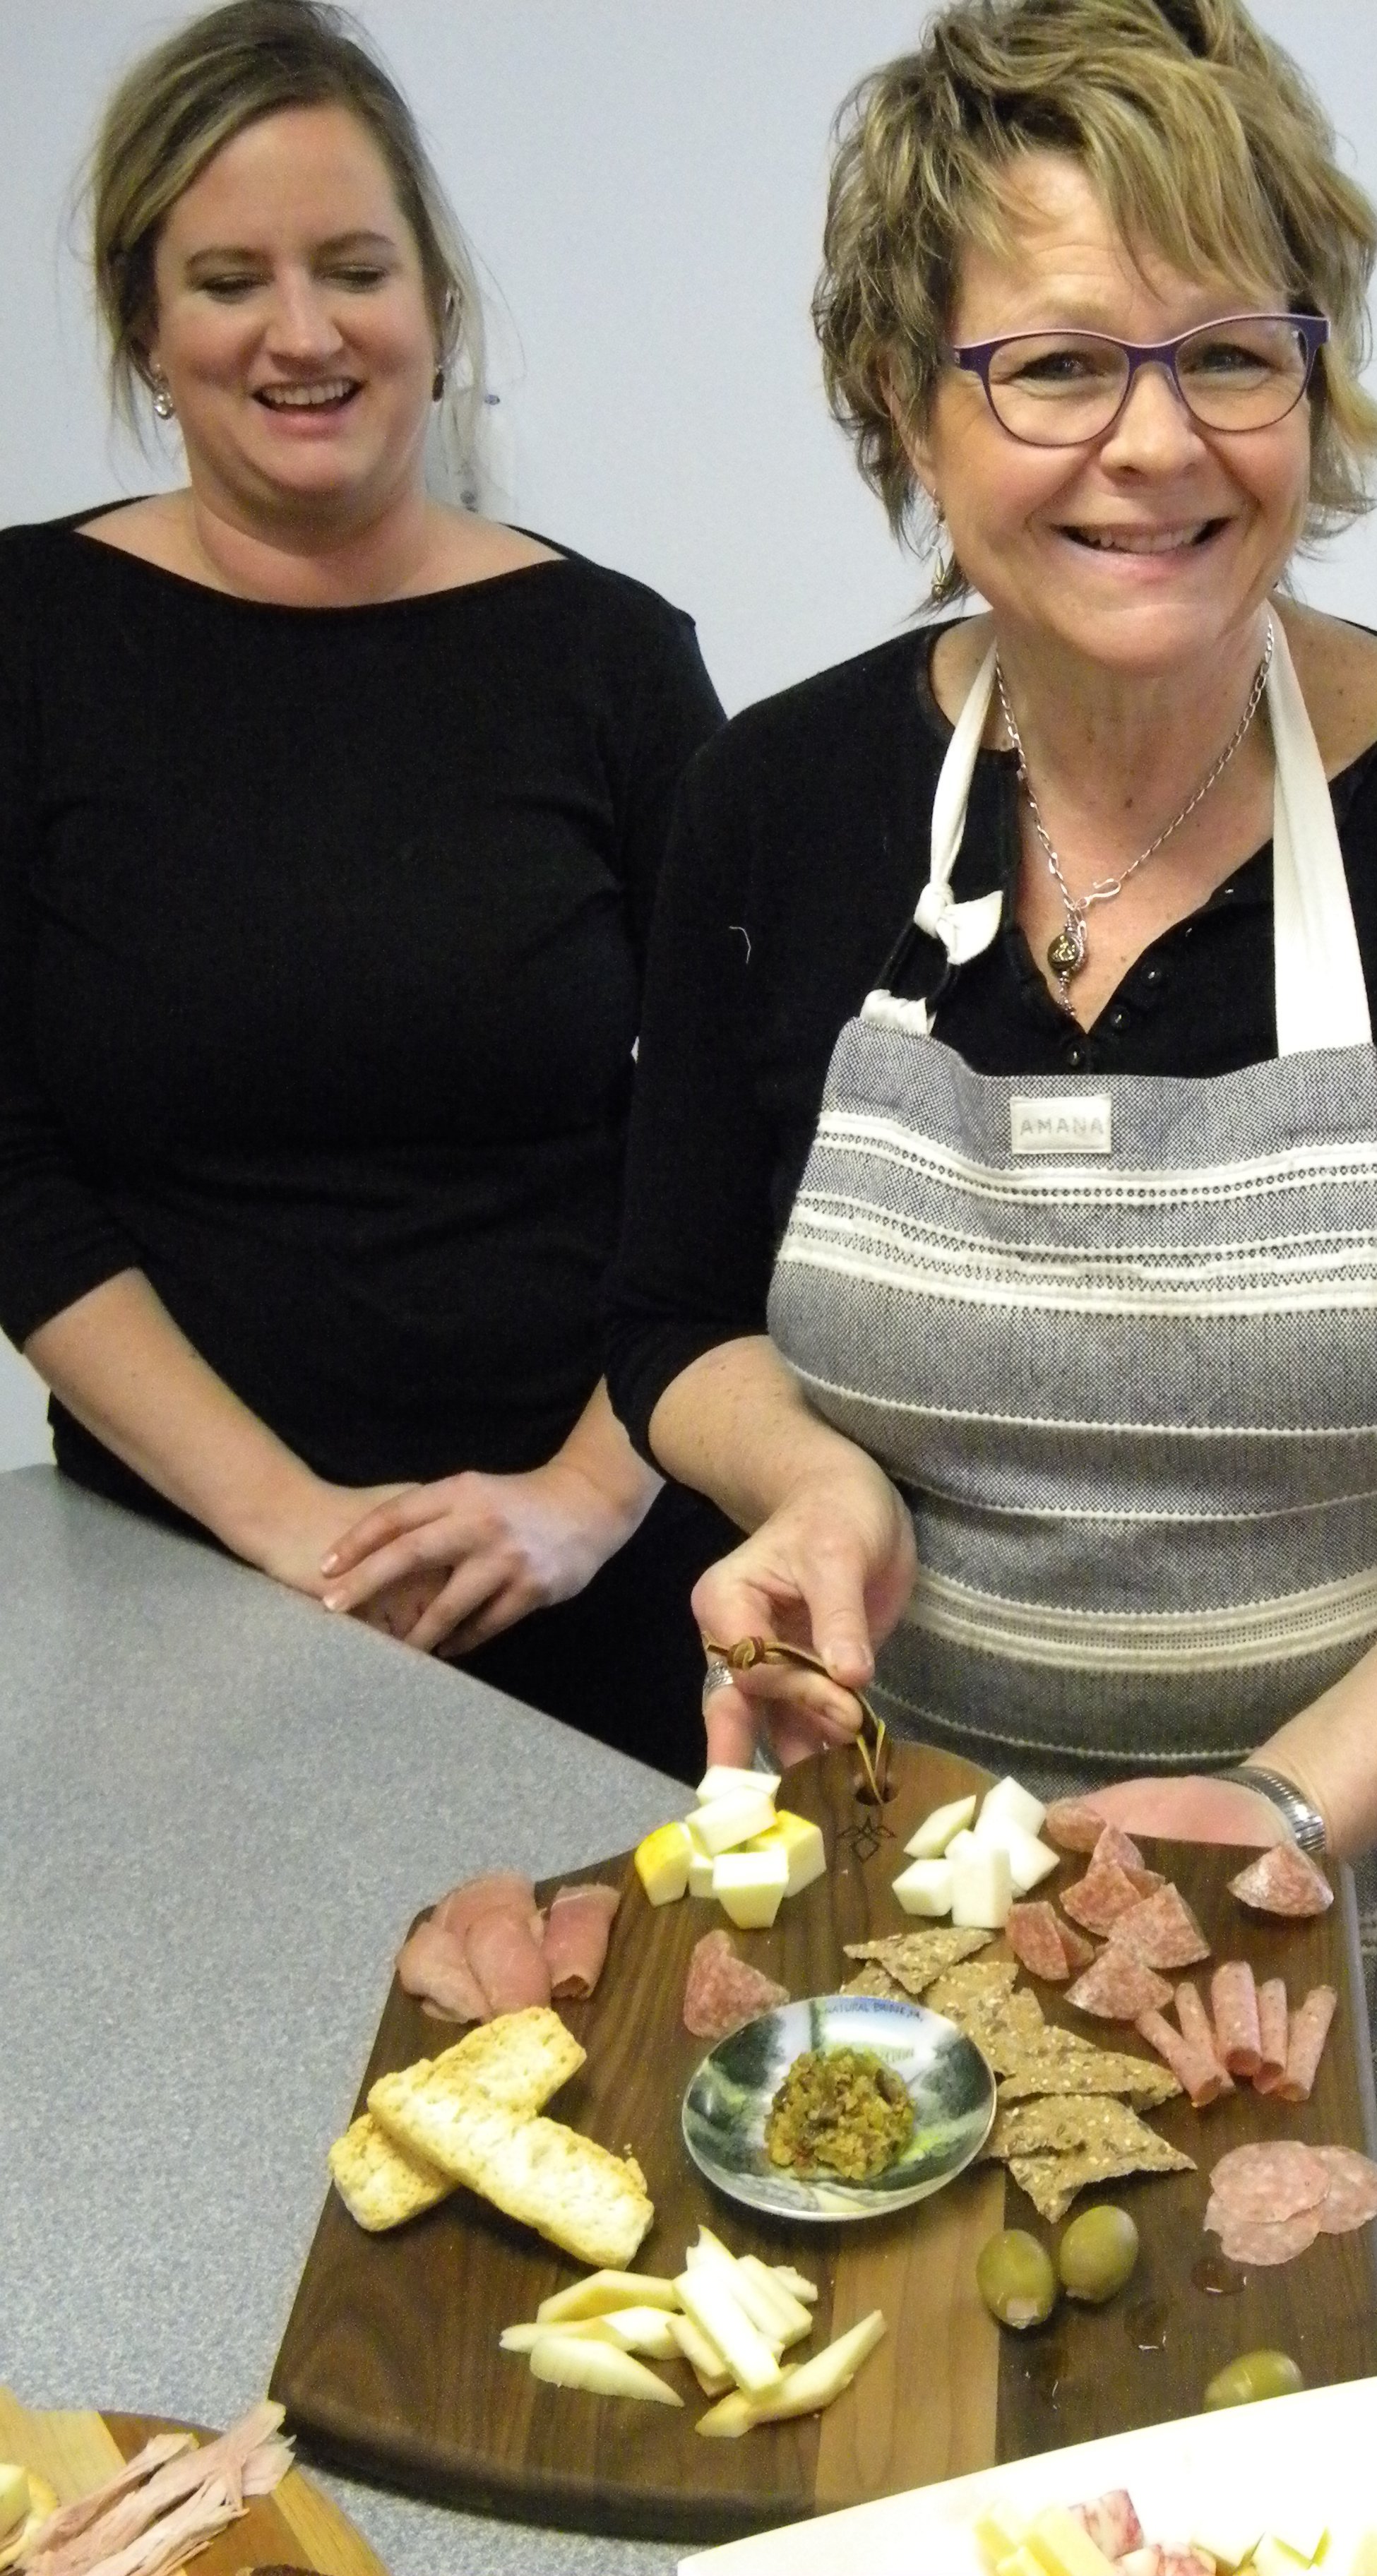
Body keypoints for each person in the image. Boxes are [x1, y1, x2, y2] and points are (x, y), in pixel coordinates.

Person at [605, 0, 1377, 2233]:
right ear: (905, 413)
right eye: (1052, 364)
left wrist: (1283, 1811)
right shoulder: (775, 808)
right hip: (929, 1963)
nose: (1159, 445)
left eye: (1233, 351)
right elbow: (668, 1314)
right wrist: (814, 1475)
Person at [0, 0, 732, 1778]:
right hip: (175, 1588)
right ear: (143, 330)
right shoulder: (26, 643)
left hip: (601, 1587)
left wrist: (577, 1498)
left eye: (356, 266)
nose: (305, 333)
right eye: (230, 278)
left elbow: (741, 1131)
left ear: (440, 307)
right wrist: (287, 1530)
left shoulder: (614, 661)